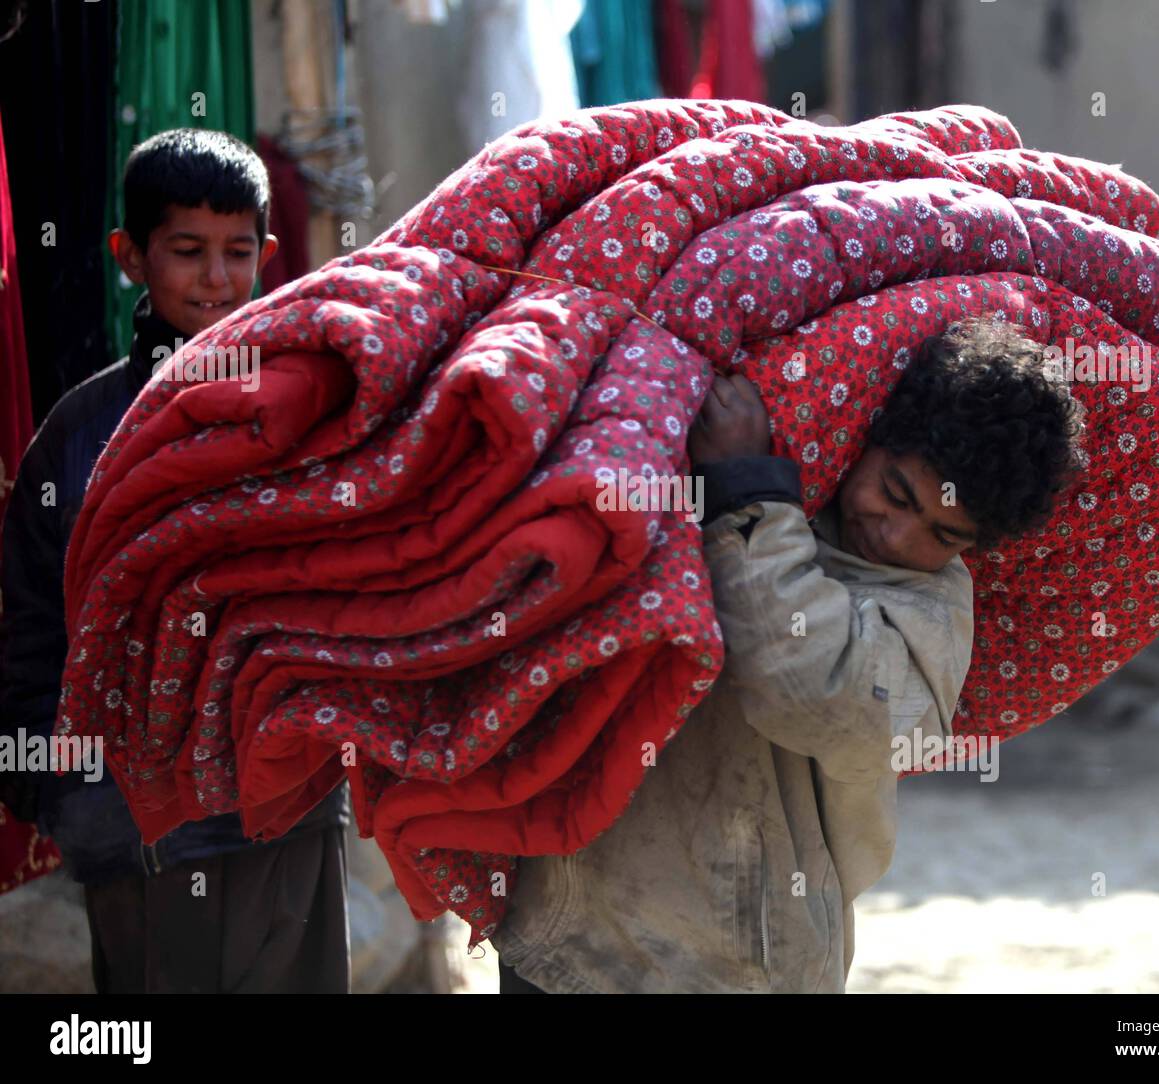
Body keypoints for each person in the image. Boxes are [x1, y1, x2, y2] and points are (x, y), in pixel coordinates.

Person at [492, 316, 1085, 993]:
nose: (894, 534)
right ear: (867, 439)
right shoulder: (779, 499)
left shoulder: (929, 614)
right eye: (895, 493)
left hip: (744, 965)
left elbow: (816, 694)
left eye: (942, 532)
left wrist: (747, 497)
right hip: (568, 930)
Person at [0, 128, 352, 994]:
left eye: (237, 252)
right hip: (136, 840)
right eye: (187, 251)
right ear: (129, 256)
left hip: (290, 817)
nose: (215, 279)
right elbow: (31, 642)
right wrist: (64, 800)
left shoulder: (311, 409)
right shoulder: (79, 441)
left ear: (269, 255)